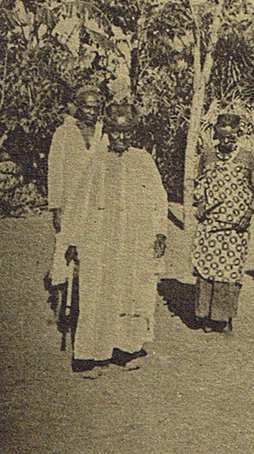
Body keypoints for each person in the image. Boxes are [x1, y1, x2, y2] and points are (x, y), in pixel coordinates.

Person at [61, 104, 168, 378]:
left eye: (126, 132)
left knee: (132, 293)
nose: (120, 138)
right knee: (96, 295)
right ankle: (91, 357)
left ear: (134, 133)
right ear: (107, 131)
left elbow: (158, 198)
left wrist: (159, 231)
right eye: (116, 132)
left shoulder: (143, 160)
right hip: (99, 239)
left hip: (134, 239)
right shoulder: (95, 160)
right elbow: (78, 201)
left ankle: (127, 350)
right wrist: (72, 239)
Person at [191, 114, 254, 333]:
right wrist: (201, 202)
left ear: (238, 135)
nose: (226, 141)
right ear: (216, 135)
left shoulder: (248, 157)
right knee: (206, 268)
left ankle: (221, 318)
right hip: (210, 223)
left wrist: (249, 213)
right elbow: (199, 183)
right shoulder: (207, 156)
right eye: (222, 136)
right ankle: (204, 315)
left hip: (236, 225)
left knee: (229, 270)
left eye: (230, 136)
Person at [45, 85, 106, 324]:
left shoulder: (104, 132)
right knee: (64, 250)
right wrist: (56, 206)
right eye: (86, 107)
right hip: (70, 202)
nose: (91, 112)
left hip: (95, 203)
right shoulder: (64, 133)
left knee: (91, 250)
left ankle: (86, 305)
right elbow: (55, 170)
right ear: (77, 107)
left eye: (95, 107)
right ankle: (60, 304)